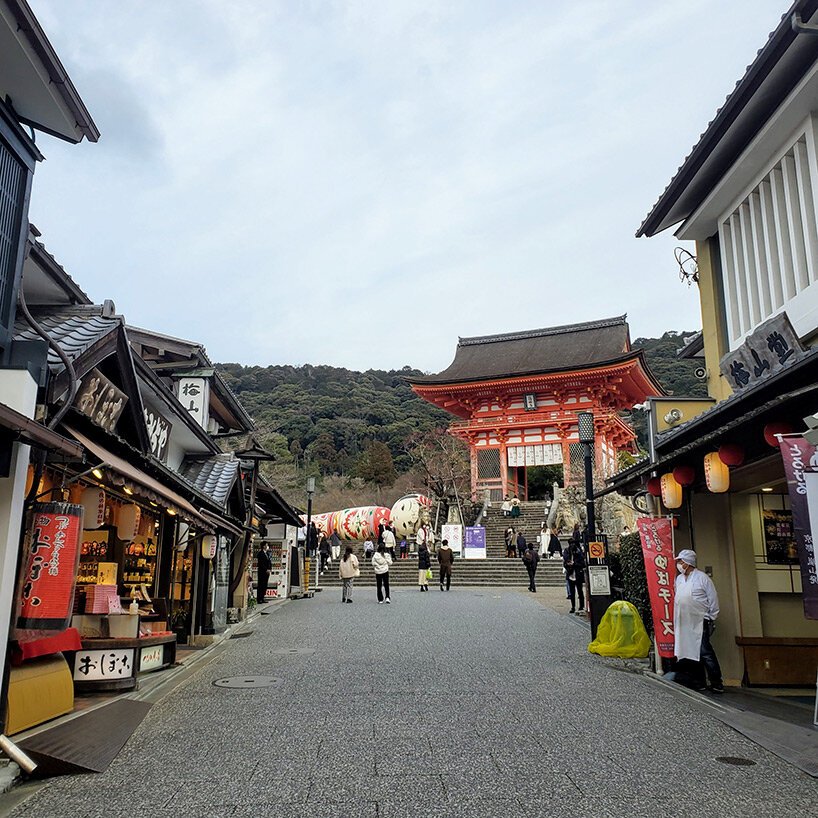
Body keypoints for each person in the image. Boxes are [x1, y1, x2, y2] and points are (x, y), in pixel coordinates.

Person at [673, 549, 723, 693]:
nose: (679, 564)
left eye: (681, 561)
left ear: (688, 563)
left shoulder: (703, 578)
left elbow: (713, 599)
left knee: (704, 651)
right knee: (689, 651)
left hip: (700, 620)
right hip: (684, 621)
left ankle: (716, 681)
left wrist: (711, 616)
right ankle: (698, 681)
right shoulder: (679, 579)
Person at [564, 539, 586, 614]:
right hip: (570, 574)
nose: (572, 545)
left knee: (580, 591)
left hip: (578, 574)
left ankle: (581, 606)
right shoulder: (567, 551)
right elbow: (565, 561)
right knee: (572, 592)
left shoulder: (578, 552)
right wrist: (568, 564)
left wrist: (574, 563)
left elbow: (582, 563)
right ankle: (573, 606)